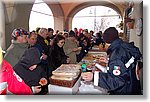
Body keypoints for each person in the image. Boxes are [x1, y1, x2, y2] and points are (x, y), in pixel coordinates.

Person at [81, 27, 142, 95]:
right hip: (133, 85)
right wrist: (109, 61)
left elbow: (116, 81)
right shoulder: (125, 46)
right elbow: (124, 65)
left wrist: (93, 77)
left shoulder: (117, 55)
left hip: (125, 91)